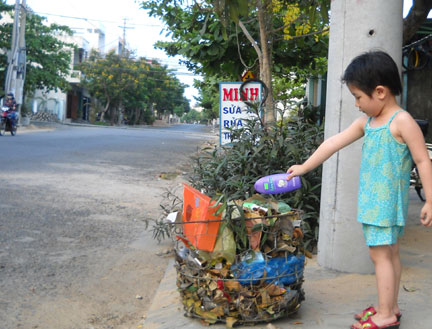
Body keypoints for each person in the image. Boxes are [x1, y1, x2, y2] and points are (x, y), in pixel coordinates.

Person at [286, 50, 432, 329]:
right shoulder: (367, 123)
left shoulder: (401, 121)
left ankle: (386, 315)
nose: (356, 104)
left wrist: (430, 200)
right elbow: (333, 143)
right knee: (390, 254)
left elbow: (423, 159)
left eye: (358, 97)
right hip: (375, 203)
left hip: (384, 205)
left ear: (380, 92)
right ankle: (390, 306)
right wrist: (304, 166)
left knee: (381, 256)